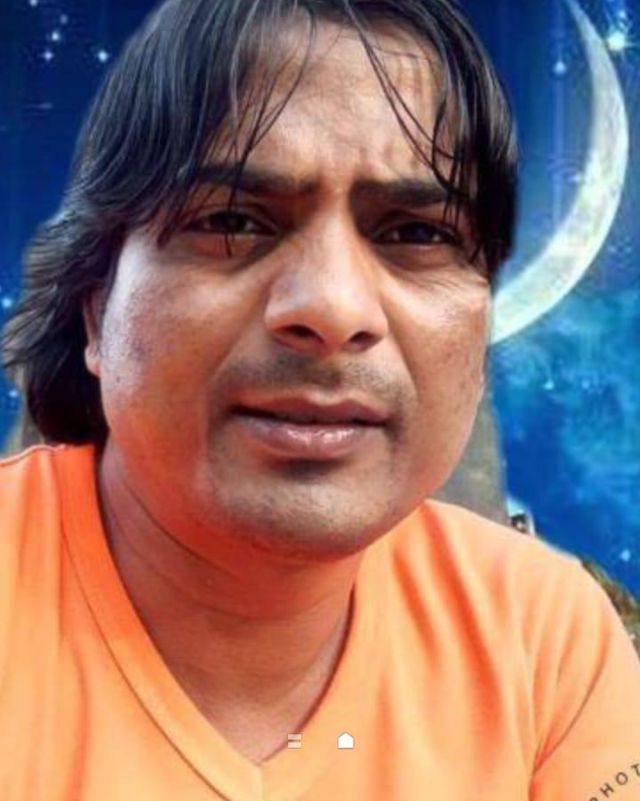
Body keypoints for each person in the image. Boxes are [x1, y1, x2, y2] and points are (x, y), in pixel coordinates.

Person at [1, 0, 638, 799]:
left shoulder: (545, 639)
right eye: (233, 220)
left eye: (416, 233)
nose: (333, 308)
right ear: (97, 312)